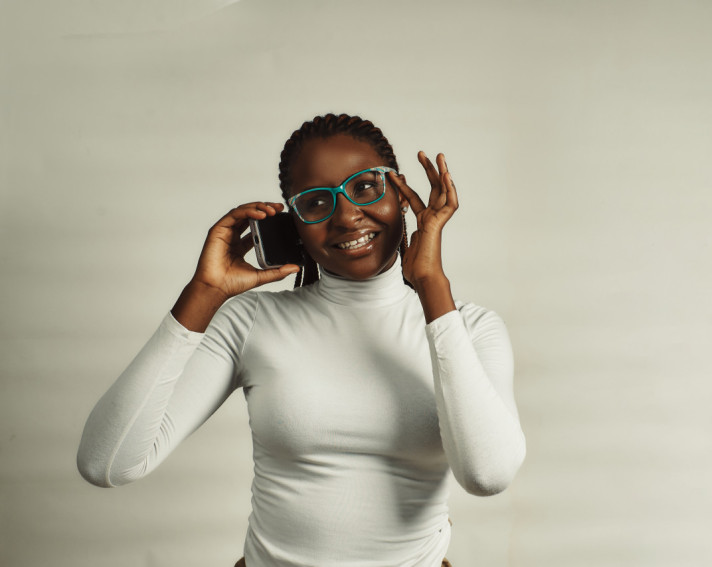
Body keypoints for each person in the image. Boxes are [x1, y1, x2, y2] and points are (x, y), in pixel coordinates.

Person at [77, 113, 526, 567]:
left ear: (402, 194)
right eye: (316, 202)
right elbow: (107, 463)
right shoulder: (254, 321)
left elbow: (487, 475)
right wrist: (203, 294)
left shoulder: (468, 328)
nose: (348, 215)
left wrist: (431, 285)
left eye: (366, 186)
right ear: (293, 223)